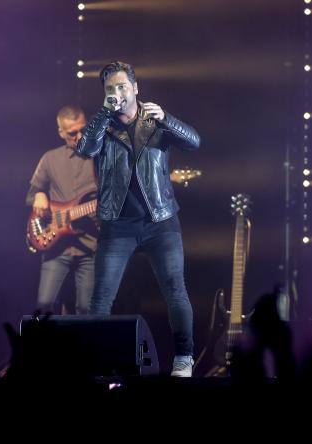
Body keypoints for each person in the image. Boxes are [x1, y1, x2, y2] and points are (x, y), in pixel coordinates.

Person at [76, 61, 201, 377]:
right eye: (110, 89)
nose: (116, 93)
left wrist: (168, 121)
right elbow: (85, 150)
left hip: (160, 221)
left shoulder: (156, 120)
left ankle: (184, 359)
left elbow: (194, 142)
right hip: (118, 224)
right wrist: (103, 114)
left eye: (121, 87)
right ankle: (96, 363)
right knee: (102, 296)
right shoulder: (103, 125)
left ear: (135, 88)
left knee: (175, 288)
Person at [25, 106, 97, 315]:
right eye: (72, 133)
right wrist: (39, 195)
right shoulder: (50, 159)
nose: (79, 136)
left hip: (90, 247)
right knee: (44, 305)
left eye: (83, 129)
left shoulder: (101, 157)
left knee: (86, 309)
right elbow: (31, 194)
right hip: (56, 247)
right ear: (61, 133)